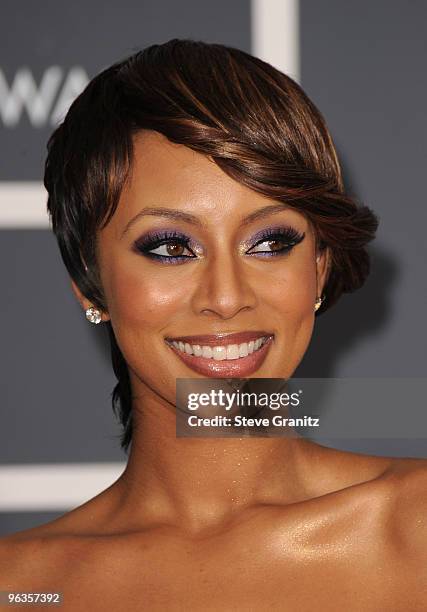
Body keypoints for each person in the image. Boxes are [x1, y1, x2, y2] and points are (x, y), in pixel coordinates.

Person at [1, 39, 426, 611]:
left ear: (319, 268)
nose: (226, 298)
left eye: (270, 242)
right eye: (171, 247)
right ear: (89, 284)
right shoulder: (21, 586)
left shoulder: (417, 528)